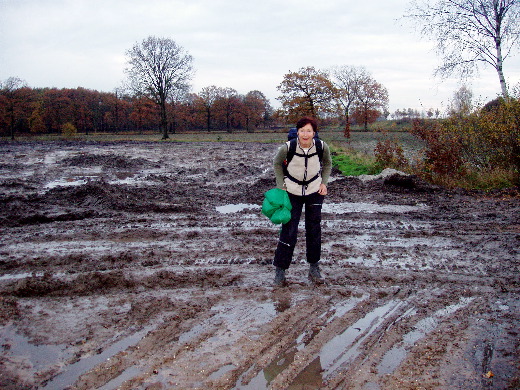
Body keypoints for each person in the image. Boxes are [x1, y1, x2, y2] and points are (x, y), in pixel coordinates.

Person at [272, 116, 332, 286]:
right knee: (289, 229)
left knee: (314, 229)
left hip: (314, 190)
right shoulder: (288, 147)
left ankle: (314, 267)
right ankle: (280, 271)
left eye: (309, 131)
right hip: (292, 191)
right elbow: (277, 163)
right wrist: (280, 185)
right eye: (302, 130)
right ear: (297, 132)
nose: (305, 134)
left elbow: (328, 163)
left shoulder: (321, 146)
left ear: (314, 133)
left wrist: (324, 183)